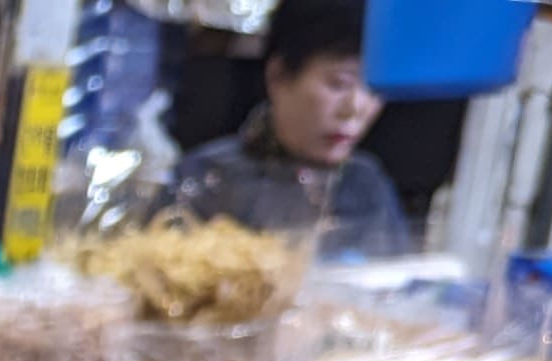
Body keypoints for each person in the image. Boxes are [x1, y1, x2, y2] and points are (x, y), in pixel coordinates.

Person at [167, 0, 412, 258]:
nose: (355, 108)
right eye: (339, 84)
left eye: (373, 87)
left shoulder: (367, 186)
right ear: (278, 75)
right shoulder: (208, 179)